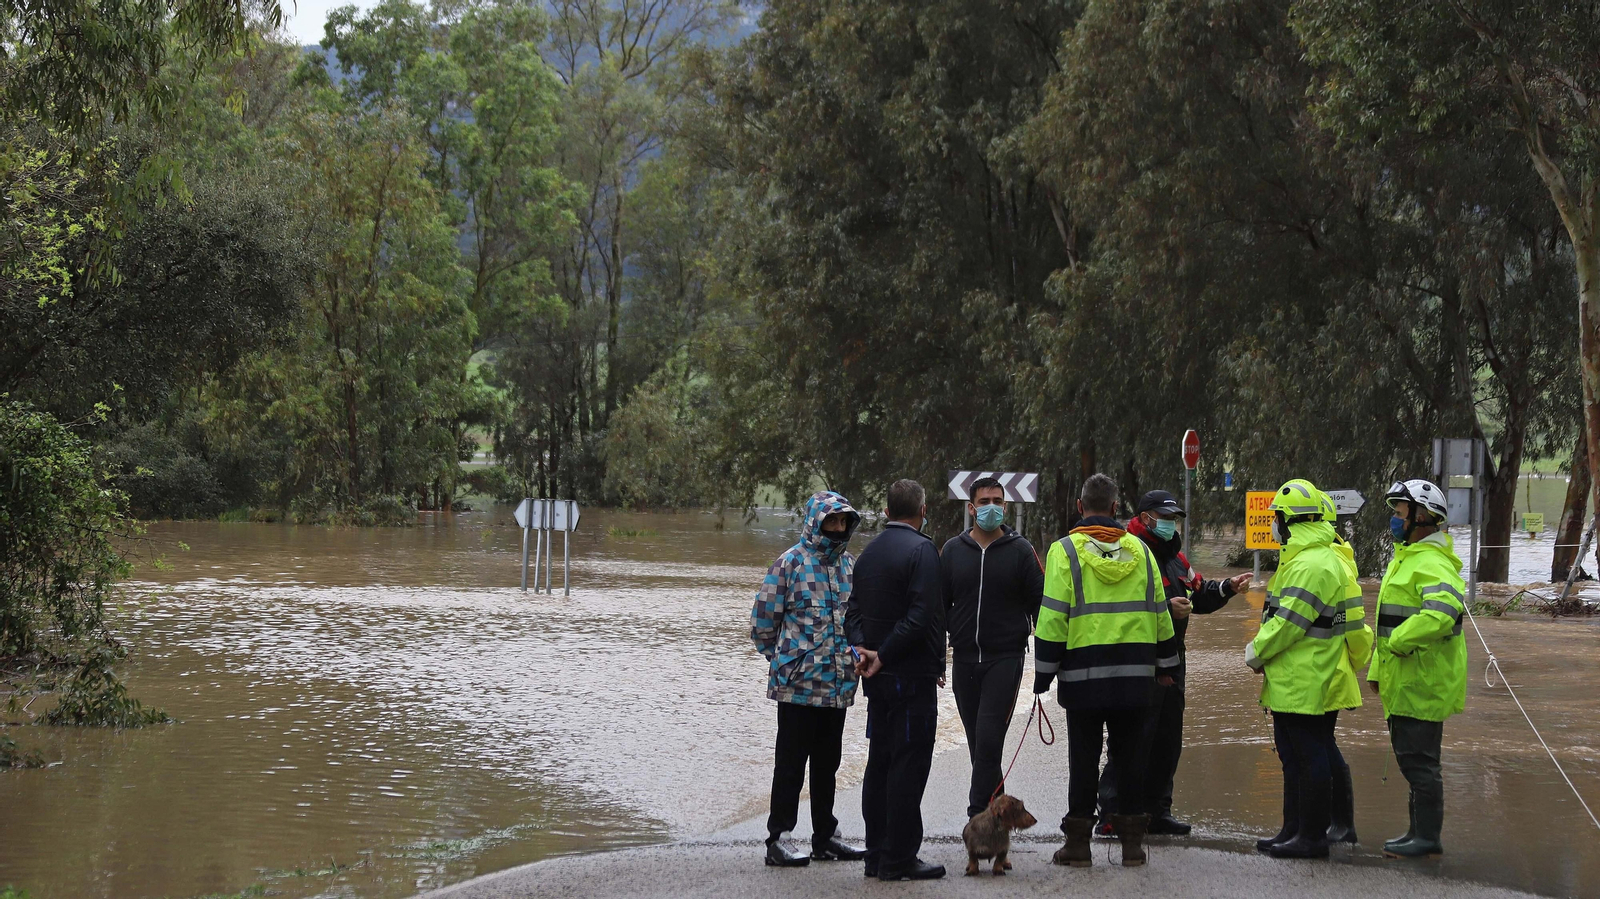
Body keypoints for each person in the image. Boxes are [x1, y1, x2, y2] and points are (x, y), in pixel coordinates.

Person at [1033, 473, 1179, 869]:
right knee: (1130, 759)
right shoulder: (1142, 552)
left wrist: (1042, 674)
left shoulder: (1064, 552)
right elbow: (1160, 613)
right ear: (1116, 508)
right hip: (1135, 678)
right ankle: (1132, 848)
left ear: (1080, 507)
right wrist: (1166, 666)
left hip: (1082, 680)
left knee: (1083, 759)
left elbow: (1052, 619)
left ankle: (1078, 847)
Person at [1096, 490, 1251, 836]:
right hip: (1138, 659)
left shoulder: (1177, 558)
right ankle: (1111, 812)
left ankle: (1156, 811)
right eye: (1164, 517)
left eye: (1174, 518)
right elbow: (1117, 604)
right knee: (1131, 739)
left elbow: (1198, 592)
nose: (1170, 523)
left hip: (1174, 659)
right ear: (1145, 517)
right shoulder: (1125, 551)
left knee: (1167, 740)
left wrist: (1227, 587)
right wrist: (1166, 609)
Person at [1245, 478, 1371, 860]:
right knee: (1293, 752)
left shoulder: (1313, 563)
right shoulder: (1309, 558)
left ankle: (1312, 837)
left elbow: (1288, 623)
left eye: (1276, 518)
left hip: (1308, 677)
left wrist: (1255, 652)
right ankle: (1295, 829)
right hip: (1302, 676)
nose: (1272, 525)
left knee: (1308, 755)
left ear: (1289, 520)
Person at [750, 490, 869, 867]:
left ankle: (825, 837)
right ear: (815, 523)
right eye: (830, 521)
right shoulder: (790, 564)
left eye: (842, 522)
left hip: (838, 687)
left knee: (827, 763)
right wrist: (788, 660)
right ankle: (778, 839)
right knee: (789, 763)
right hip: (797, 689)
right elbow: (762, 625)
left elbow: (859, 623)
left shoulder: (851, 567)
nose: (837, 528)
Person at [847, 479, 947, 881]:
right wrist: (885, 654)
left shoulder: (867, 553)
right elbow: (922, 616)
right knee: (909, 764)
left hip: (876, 678)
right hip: (909, 674)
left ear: (887, 513)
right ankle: (900, 858)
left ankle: (875, 854)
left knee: (881, 761)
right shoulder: (924, 551)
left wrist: (863, 652)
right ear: (923, 512)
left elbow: (851, 613)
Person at [1369, 479, 1466, 859]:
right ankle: (1416, 833)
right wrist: (1379, 667)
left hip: (1422, 681)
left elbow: (1440, 614)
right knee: (1412, 761)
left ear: (1421, 517)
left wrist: (1398, 643)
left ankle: (1427, 838)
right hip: (1406, 680)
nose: (1394, 519)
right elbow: (1387, 621)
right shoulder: (1408, 557)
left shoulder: (1431, 562)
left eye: (1400, 512)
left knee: (1420, 764)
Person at [941, 475, 1045, 819]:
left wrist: (1048, 664)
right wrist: (936, 660)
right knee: (980, 749)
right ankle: (1000, 820)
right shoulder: (953, 550)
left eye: (998, 502)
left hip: (1006, 659)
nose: (992, 508)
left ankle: (976, 820)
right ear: (971, 509)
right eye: (984, 502)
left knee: (987, 742)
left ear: (1006, 506)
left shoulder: (1021, 551)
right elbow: (939, 608)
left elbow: (1041, 608)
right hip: (965, 661)